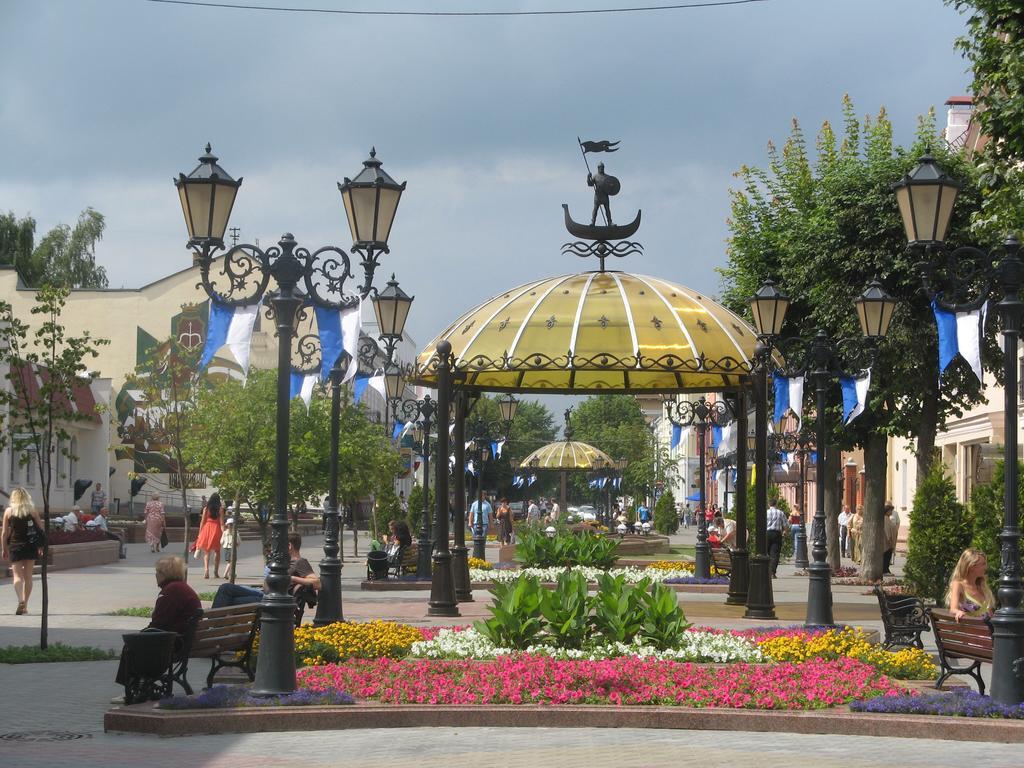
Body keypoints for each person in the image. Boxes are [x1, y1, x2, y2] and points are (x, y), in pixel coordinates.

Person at [114, 556, 201, 693]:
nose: (155, 575)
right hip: (182, 639)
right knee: (137, 640)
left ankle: (131, 688)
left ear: (165, 574)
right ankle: (138, 685)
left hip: (174, 642)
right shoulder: (181, 587)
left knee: (131, 645)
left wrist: (142, 633)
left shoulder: (171, 591)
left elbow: (159, 623)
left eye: (157, 572)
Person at [212, 533, 319, 608]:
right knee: (226, 590)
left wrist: (291, 578)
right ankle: (214, 628)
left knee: (227, 593)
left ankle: (211, 629)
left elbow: (317, 583)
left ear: (289, 546)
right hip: (265, 595)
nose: (275, 549)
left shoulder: (300, 562)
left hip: (272, 600)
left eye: (278, 546)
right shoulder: (284, 562)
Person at [2, 487, 45, 615]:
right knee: (28, 576)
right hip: (31, 546)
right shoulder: (32, 511)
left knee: (17, 576)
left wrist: (3, 548)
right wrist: (40, 546)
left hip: (15, 546)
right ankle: (25, 605)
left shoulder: (9, 511)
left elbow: (4, 533)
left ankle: (20, 600)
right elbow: (40, 530)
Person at [947, 548, 994, 621]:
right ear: (971, 566)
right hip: (974, 630)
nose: (986, 568)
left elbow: (990, 612)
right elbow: (953, 609)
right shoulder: (958, 584)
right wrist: (958, 612)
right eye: (983, 564)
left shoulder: (982, 586)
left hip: (987, 629)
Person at [194, 493, 224, 579]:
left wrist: (200, 533)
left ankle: (206, 570)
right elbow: (221, 523)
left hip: (207, 529)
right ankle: (215, 571)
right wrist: (224, 533)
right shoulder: (220, 509)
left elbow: (202, 522)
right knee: (217, 551)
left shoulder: (206, 509)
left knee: (207, 552)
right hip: (216, 530)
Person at [766, 500, 787, 578]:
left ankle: (766, 570)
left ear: (769, 504)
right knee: (775, 553)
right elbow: (785, 524)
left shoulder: (766, 512)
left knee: (766, 552)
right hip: (776, 533)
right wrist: (785, 532)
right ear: (776, 504)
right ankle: (772, 572)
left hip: (767, 533)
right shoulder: (780, 513)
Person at [882, 503, 899, 574]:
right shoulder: (885, 519)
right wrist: (889, 540)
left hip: (888, 541)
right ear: (887, 511)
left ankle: (886, 569)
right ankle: (885, 570)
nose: (892, 512)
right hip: (887, 541)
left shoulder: (887, 518)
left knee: (888, 556)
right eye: (891, 510)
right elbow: (887, 530)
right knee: (886, 555)